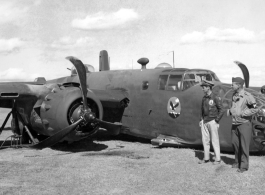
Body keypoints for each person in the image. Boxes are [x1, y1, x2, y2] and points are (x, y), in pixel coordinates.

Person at [228, 77, 262, 173]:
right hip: (234, 123)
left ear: (239, 85)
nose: (231, 86)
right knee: (235, 144)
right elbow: (234, 107)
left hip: (244, 124)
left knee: (244, 145)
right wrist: (231, 112)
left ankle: (243, 166)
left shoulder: (248, 96)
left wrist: (243, 113)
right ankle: (237, 161)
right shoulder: (234, 95)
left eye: (233, 84)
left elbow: (255, 109)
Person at [198, 80, 224, 165]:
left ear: (208, 87)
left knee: (215, 140)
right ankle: (206, 158)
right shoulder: (204, 98)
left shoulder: (215, 97)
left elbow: (221, 110)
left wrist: (216, 120)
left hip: (213, 121)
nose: (202, 89)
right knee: (205, 140)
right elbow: (202, 110)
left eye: (204, 87)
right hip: (205, 121)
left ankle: (217, 159)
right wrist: (201, 120)